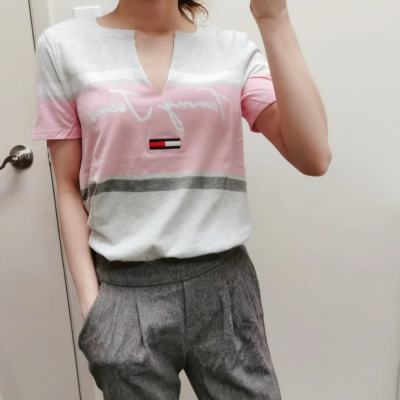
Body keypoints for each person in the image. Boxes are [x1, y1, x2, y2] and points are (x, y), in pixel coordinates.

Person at [32, 0, 331, 398]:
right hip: (124, 291)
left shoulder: (233, 51)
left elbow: (314, 156)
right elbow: (67, 185)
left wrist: (272, 18)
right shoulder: (63, 46)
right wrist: (94, 308)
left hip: (225, 285)